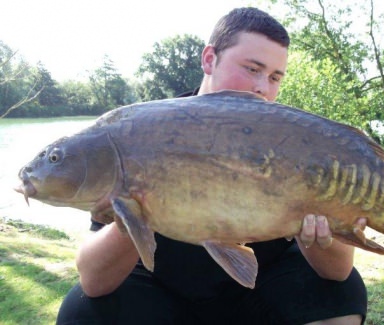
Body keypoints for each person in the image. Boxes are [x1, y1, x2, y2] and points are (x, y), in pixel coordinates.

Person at [57, 7, 367, 325]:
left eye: (275, 77)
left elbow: (338, 270)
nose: (263, 87)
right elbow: (93, 282)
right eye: (252, 68)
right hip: (164, 290)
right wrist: (132, 216)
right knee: (81, 313)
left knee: (342, 294)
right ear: (209, 59)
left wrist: (318, 236)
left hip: (260, 287)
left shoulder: (296, 142)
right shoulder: (145, 132)